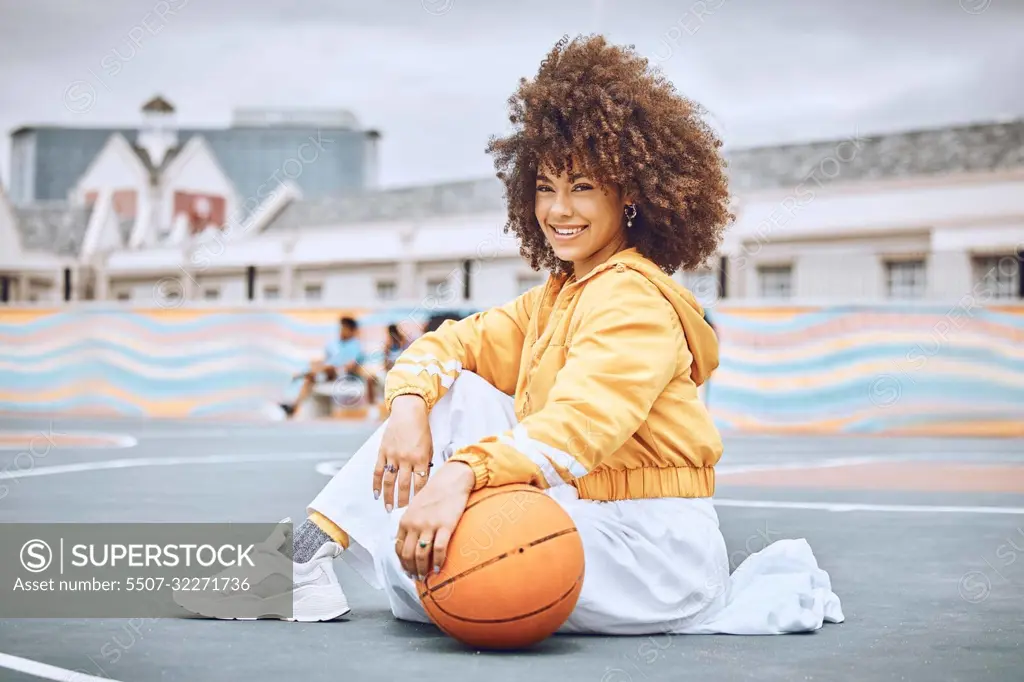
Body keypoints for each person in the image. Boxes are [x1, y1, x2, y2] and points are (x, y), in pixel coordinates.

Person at [178, 35, 843, 635]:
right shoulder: (557, 297)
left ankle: (299, 570)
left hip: (651, 554)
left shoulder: (634, 301)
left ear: (631, 195)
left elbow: (577, 427)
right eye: (546, 186)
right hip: (594, 520)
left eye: (582, 186)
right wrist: (410, 409)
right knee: (455, 400)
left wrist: (461, 474)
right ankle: (304, 565)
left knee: (440, 561)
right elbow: (445, 348)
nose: (558, 210)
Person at [278, 316, 375, 419]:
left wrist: (332, 366)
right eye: (341, 328)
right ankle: (294, 406)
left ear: (351, 331)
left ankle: (302, 375)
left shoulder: (355, 346)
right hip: (330, 374)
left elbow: (351, 366)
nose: (341, 331)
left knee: (327, 368)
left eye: (344, 329)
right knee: (310, 377)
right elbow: (326, 360)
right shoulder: (336, 344)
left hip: (345, 375)